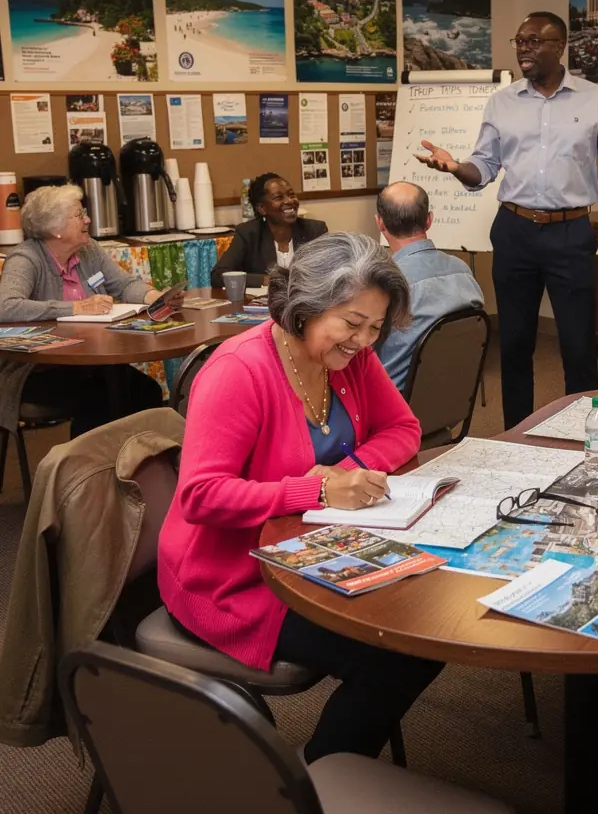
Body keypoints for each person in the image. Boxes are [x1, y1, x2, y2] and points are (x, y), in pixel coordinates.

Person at [158, 233, 442, 762]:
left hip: (312, 546)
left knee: (421, 621)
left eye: (376, 327)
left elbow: (403, 428)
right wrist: (318, 490)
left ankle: (334, 770)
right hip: (234, 577)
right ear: (305, 307)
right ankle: (319, 779)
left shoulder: (348, 358)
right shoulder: (239, 370)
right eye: (353, 323)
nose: (364, 341)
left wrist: (344, 475)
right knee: (399, 651)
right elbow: (200, 495)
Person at [418, 11, 598, 429]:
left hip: (570, 235)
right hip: (514, 231)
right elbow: (484, 167)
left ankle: (583, 436)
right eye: (520, 41)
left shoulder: (595, 100)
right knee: (515, 344)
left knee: (577, 346)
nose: (524, 49)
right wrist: (457, 167)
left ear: (560, 46)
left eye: (534, 41)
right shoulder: (501, 102)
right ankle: (518, 435)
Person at [0, 184, 167, 438]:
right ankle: (89, 462)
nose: (88, 219)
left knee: (145, 391)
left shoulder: (89, 250)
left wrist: (155, 297)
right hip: (38, 369)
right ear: (55, 228)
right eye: (79, 215)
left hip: (93, 360)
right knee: (101, 397)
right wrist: (76, 308)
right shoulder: (26, 258)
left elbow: (124, 285)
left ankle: (141, 457)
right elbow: (6, 306)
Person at [374, 181, 484, 392]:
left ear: (380, 223)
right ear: (429, 220)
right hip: (455, 392)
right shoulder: (463, 271)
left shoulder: (384, 284)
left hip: (393, 400)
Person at [211, 173, 327, 288]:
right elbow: (218, 275)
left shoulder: (315, 230)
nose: (289, 201)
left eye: (291, 195)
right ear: (262, 208)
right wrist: (265, 280)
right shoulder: (248, 233)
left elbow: (332, 272)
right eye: (278, 198)